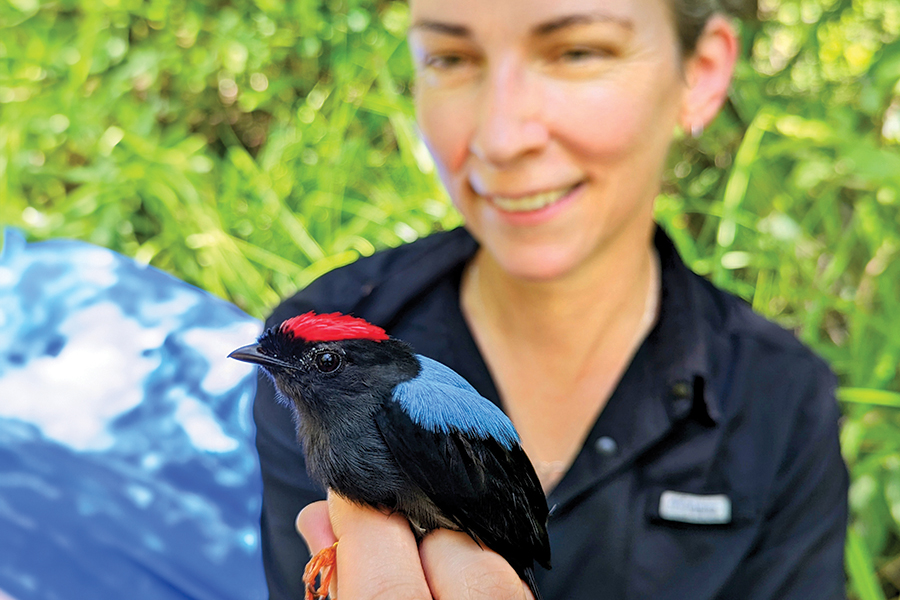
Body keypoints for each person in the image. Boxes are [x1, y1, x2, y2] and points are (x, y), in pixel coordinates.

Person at [253, 0, 849, 597]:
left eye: (577, 51)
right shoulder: (321, 336)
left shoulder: (783, 399)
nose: (502, 138)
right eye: (450, 56)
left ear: (701, 72)